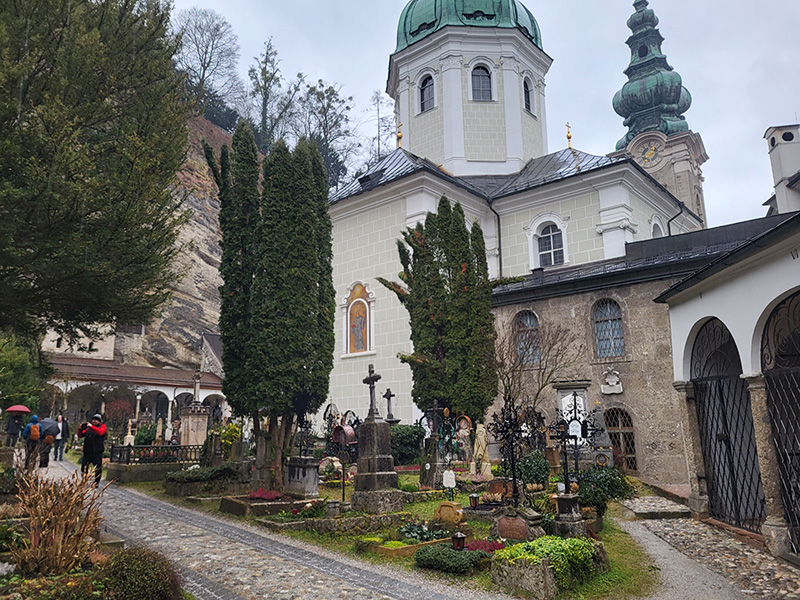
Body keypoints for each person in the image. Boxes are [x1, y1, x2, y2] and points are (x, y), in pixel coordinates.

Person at [78, 414, 107, 487]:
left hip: (97, 451)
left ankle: (96, 482)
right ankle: (84, 480)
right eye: (93, 419)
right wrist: (80, 429)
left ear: (99, 421)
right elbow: (81, 435)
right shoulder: (89, 428)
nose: (94, 421)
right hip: (87, 450)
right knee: (84, 467)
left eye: (96, 420)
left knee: (98, 468)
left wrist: (92, 426)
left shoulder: (102, 427)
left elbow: (100, 432)